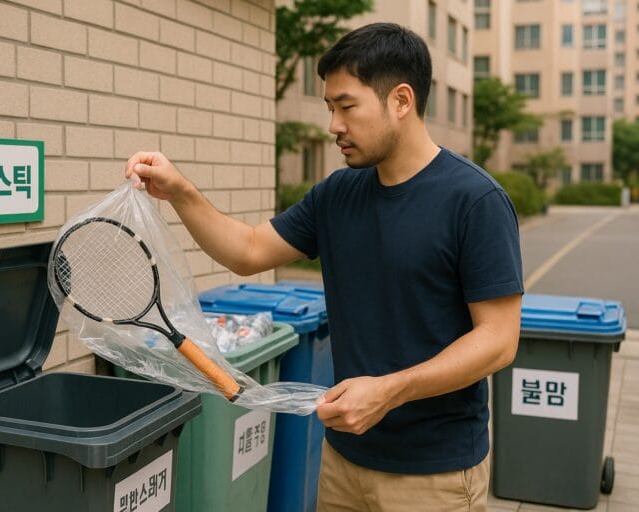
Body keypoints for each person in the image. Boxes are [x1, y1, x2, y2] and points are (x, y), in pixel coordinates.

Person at [125, 22, 523, 512]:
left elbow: (499, 340)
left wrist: (390, 391)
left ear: (401, 101)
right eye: (329, 108)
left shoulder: (475, 200)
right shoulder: (338, 194)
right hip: (342, 461)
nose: (333, 125)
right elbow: (248, 251)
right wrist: (181, 191)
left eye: (346, 106)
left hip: (434, 474)